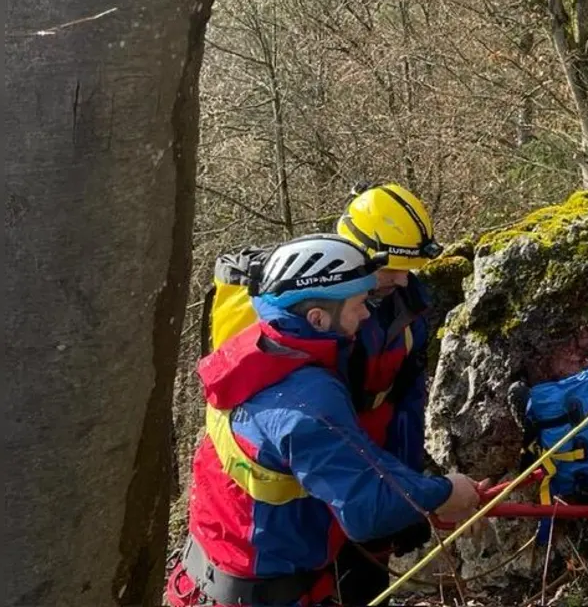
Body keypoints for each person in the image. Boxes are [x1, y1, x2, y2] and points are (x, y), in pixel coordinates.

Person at [167, 235, 480, 607]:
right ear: (317, 318)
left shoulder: (252, 353)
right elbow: (368, 508)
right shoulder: (307, 399)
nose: (367, 315)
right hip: (262, 595)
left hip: (205, 578)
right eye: (359, 305)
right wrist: (446, 492)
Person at [331, 183, 445, 605]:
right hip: (328, 478)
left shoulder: (408, 306)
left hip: (380, 457)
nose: (400, 279)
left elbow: (407, 403)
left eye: (407, 268)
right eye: (390, 269)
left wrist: (408, 486)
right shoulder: (322, 320)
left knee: (366, 586)